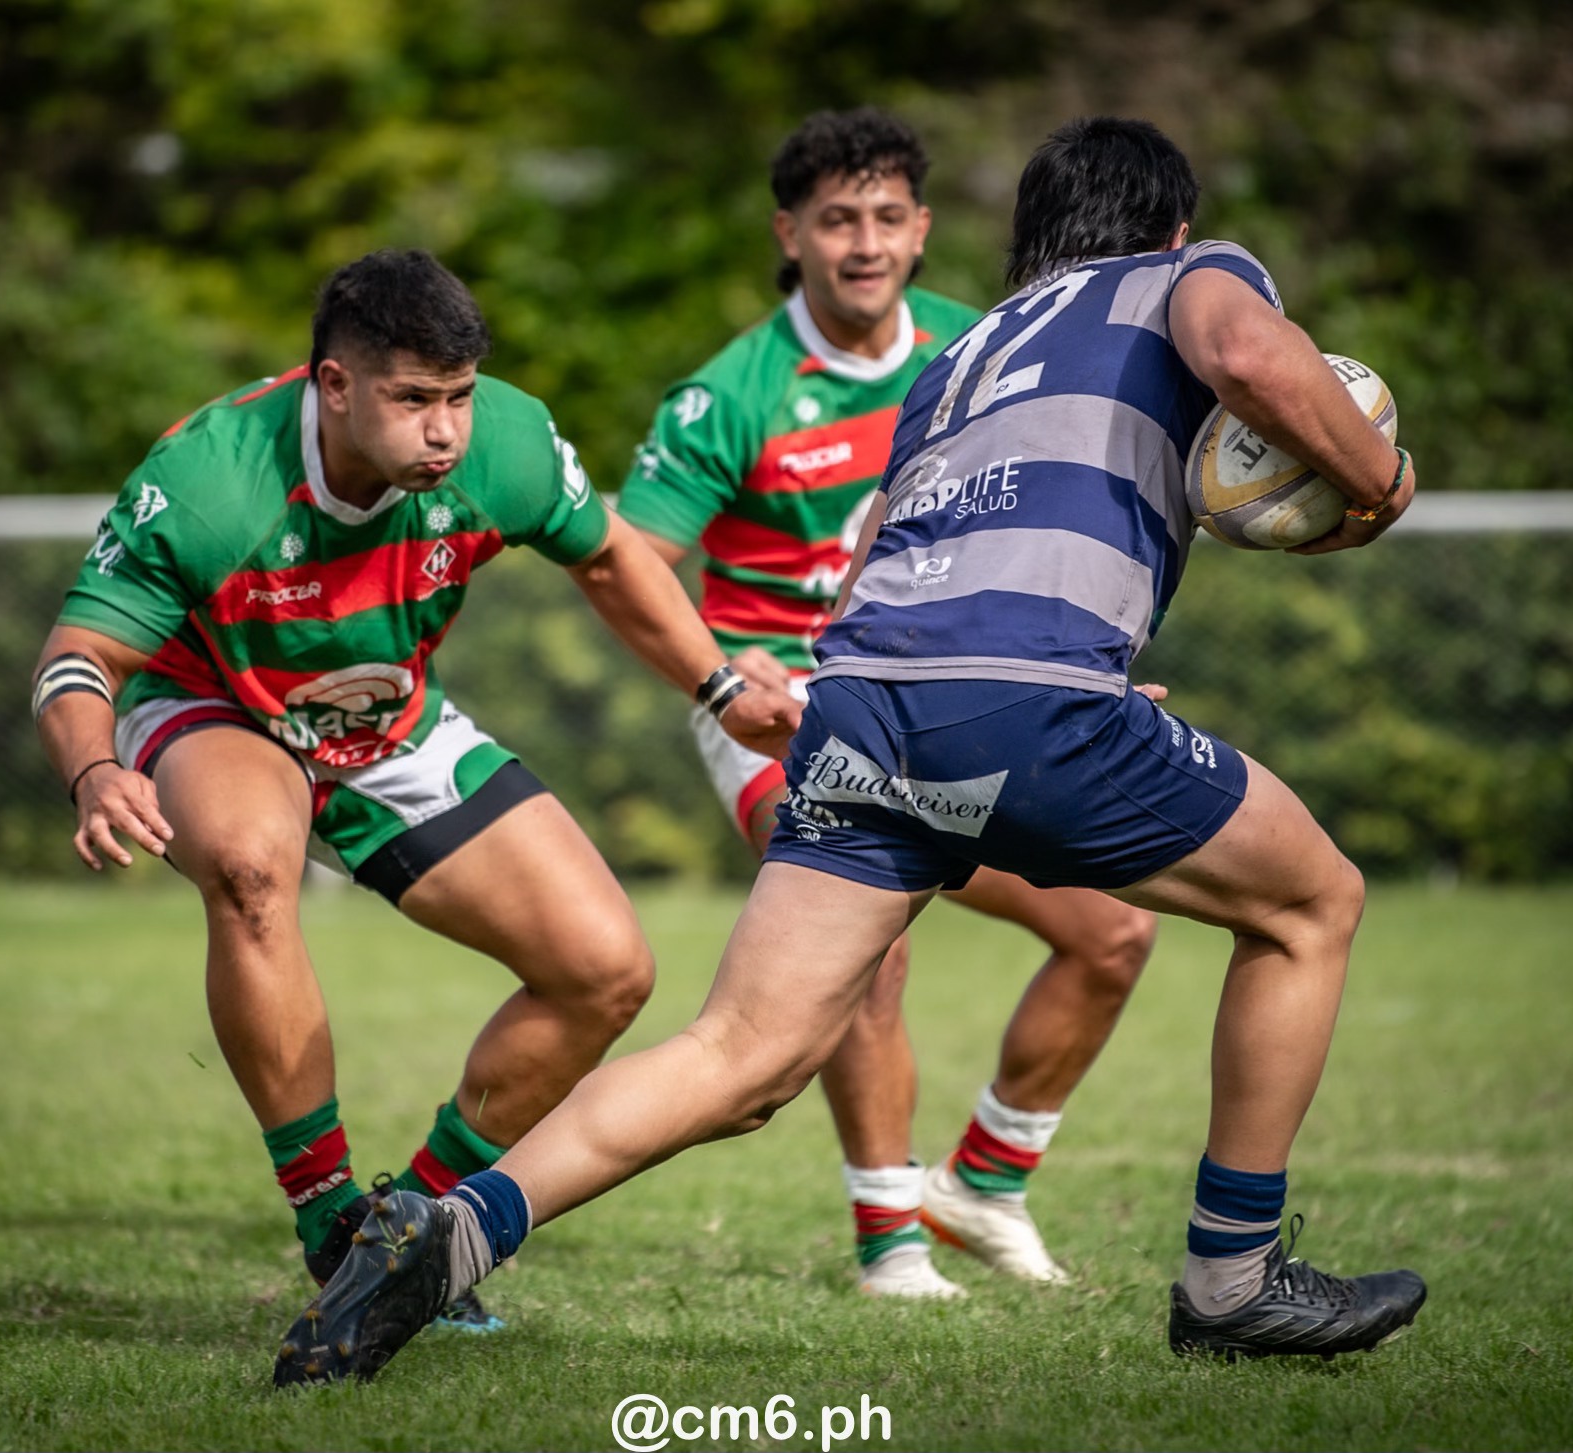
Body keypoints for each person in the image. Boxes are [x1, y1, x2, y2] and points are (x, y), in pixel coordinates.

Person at [275, 117, 1428, 1387]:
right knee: (1314, 904)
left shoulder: (965, 350)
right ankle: (1233, 1279)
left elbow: (887, 533)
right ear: (1169, 224)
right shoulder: (1190, 272)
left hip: (864, 695)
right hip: (1019, 697)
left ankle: (447, 1231)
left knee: (739, 1052)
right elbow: (1251, 356)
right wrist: (1377, 481)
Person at [31, 248, 799, 1334]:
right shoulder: (213, 482)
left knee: (604, 970)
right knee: (252, 865)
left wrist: (720, 686)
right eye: (413, 400)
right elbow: (77, 658)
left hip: (385, 718)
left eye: (459, 397)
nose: (445, 429)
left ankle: (408, 1231)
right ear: (333, 387)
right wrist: (95, 765)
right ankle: (329, 1215)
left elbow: (611, 558)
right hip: (215, 703)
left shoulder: (509, 442)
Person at [617, 107, 1156, 1299]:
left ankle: (986, 1181)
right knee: (871, 942)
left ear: (920, 231)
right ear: (791, 234)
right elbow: (635, 562)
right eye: (836, 218)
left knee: (1113, 931)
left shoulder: (982, 349)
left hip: (943, 691)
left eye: (887, 216)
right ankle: (887, 1242)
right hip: (779, 714)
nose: (864, 241)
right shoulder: (729, 397)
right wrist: (722, 671)